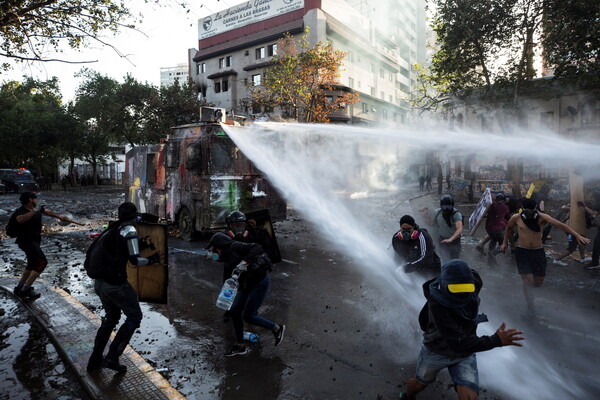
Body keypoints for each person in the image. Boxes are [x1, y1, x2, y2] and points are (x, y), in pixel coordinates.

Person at [401, 260, 525, 400]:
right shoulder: (437, 305)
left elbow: (467, 274)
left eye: (466, 288)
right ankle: (407, 396)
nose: (462, 294)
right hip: (436, 352)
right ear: (444, 285)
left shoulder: (475, 282)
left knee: (470, 397)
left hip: (465, 354)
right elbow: (458, 343)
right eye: (456, 289)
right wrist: (495, 340)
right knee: (418, 385)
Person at [86, 202, 161, 373]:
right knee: (134, 317)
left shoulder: (112, 229)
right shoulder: (129, 230)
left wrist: (140, 244)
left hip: (100, 283)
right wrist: (152, 260)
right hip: (115, 284)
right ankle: (112, 358)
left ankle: (95, 359)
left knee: (111, 318)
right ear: (134, 215)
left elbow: (120, 249)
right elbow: (134, 260)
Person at [500, 198, 590, 314]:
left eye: (531, 210)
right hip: (522, 251)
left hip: (537, 252)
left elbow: (560, 225)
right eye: (527, 211)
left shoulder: (542, 217)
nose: (529, 213)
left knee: (538, 282)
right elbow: (508, 228)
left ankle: (528, 289)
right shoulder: (516, 218)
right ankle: (530, 304)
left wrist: (576, 235)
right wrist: (504, 243)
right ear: (522, 209)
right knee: (527, 280)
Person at [209, 232, 285, 356]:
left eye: (216, 249)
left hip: (259, 282)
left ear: (220, 247)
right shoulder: (227, 258)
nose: (215, 252)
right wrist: (226, 293)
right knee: (234, 310)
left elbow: (257, 247)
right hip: (245, 284)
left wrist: (245, 261)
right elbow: (228, 278)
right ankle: (240, 346)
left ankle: (277, 328)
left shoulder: (234, 246)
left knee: (249, 316)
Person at [11, 191, 69, 299]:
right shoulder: (20, 211)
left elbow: (48, 212)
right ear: (30, 199)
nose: (37, 200)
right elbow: (20, 220)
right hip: (26, 241)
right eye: (35, 198)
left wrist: (60, 217)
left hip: (34, 240)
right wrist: (34, 210)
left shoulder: (37, 208)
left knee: (32, 263)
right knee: (41, 262)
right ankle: (25, 289)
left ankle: (19, 288)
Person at [420, 195, 463, 262]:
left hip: (455, 241)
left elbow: (459, 229)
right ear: (441, 206)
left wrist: (451, 239)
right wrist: (424, 216)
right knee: (444, 258)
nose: (446, 209)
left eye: (448, 207)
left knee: (454, 260)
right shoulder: (437, 212)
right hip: (442, 239)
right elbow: (431, 223)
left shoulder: (456, 214)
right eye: (444, 207)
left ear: (452, 206)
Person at [551, 202, 592, 266]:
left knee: (582, 241)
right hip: (570, 229)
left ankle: (582, 258)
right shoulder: (574, 204)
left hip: (577, 228)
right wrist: (568, 208)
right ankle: (556, 260)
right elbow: (563, 208)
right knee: (572, 247)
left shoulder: (578, 205)